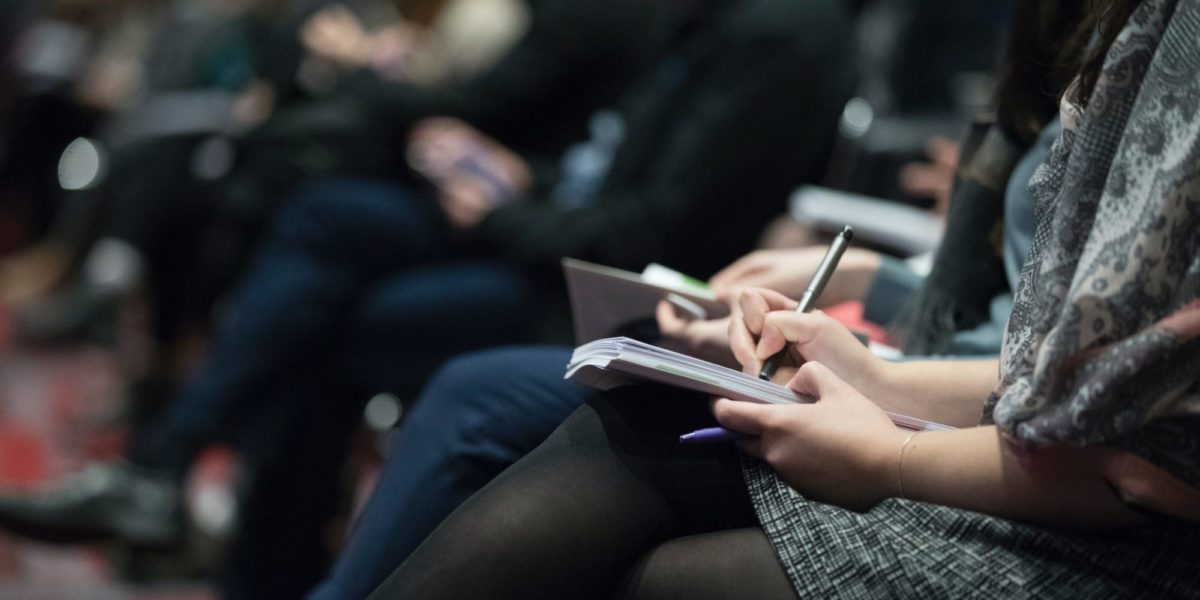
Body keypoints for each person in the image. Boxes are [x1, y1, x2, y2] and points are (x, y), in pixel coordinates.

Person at [0, 0, 859, 597]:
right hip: (561, 244)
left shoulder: (776, 34)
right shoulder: (711, 20)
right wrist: (524, 184)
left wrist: (508, 208)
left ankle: (202, 502)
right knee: (321, 218)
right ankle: (210, 515)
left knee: (344, 314)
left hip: (627, 303)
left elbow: (653, 234)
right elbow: (606, 165)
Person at [364, 0, 1200, 597]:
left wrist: (889, 448)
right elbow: (1063, 376)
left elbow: (1137, 451)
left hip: (1114, 530)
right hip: (1001, 419)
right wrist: (870, 368)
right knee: (619, 419)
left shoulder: (783, 30)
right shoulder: (1117, 33)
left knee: (640, 538)